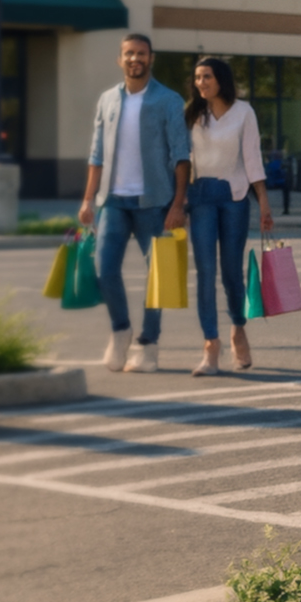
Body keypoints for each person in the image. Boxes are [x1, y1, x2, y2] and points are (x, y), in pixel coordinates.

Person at [79, 33, 190, 373]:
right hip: (113, 201)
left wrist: (178, 204)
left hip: (154, 202)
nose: (135, 59)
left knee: (157, 275)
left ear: (150, 58)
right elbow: (96, 155)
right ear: (120, 59)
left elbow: (181, 156)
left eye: (141, 53)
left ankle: (148, 345)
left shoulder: (168, 100)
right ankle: (121, 330)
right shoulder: (108, 100)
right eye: (129, 53)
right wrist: (88, 200)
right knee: (105, 269)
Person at [183, 57, 275, 375]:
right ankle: (211, 344)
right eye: (197, 77)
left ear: (221, 79)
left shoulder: (243, 112)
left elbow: (252, 159)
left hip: (234, 199)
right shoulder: (192, 114)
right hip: (200, 198)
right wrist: (178, 200)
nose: (201, 82)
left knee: (232, 274)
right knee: (205, 273)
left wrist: (263, 203)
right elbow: (182, 159)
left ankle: (238, 328)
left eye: (206, 76)